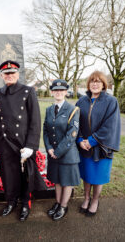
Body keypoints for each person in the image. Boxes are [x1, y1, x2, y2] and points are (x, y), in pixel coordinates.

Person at [0, 60, 46, 222]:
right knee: (8, 174)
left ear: (18, 74)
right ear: (2, 76)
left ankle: (25, 203)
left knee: (26, 175)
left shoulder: (28, 91)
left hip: (23, 143)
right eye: (6, 73)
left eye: (13, 73)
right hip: (4, 142)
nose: (10, 76)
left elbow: (35, 121)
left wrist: (31, 145)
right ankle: (11, 201)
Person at [76, 71, 121, 216]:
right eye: (92, 81)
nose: (95, 84)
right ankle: (86, 198)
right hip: (84, 146)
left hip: (101, 147)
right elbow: (75, 123)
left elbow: (110, 126)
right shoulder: (81, 101)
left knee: (98, 175)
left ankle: (95, 200)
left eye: (98, 81)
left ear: (103, 84)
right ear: (88, 84)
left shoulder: (111, 101)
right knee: (87, 174)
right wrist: (79, 140)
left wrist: (91, 141)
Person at [43, 79, 80, 221]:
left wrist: (57, 152)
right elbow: (45, 131)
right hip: (53, 153)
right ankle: (58, 203)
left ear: (66, 92)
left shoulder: (73, 110)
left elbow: (72, 134)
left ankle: (64, 206)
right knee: (57, 180)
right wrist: (49, 149)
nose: (58, 93)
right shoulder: (49, 110)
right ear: (52, 92)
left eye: (61, 90)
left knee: (67, 182)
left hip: (67, 154)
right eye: (55, 90)